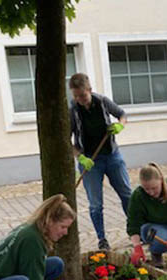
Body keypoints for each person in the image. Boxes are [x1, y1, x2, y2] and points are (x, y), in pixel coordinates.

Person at [69, 73, 131, 251]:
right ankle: (102, 240)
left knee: (127, 194)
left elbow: (122, 115)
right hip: (89, 161)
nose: (79, 99)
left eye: (82, 95)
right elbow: (67, 140)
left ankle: (135, 230)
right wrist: (80, 157)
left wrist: (120, 125)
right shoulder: (72, 110)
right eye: (75, 96)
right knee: (96, 204)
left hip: (112, 156)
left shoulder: (102, 101)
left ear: (89, 90)